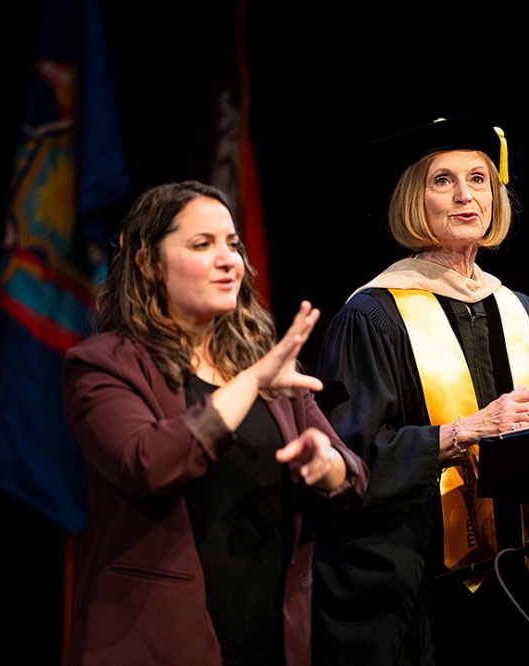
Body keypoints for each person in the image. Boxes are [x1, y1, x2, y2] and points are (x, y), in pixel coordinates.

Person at [61, 180, 368, 666]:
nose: (228, 259)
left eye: (232, 244)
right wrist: (250, 381)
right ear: (147, 262)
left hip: (272, 641)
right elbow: (147, 464)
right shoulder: (104, 364)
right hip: (154, 642)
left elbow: (351, 478)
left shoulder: (263, 364)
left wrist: (327, 466)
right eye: (202, 245)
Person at [311, 116, 529, 665]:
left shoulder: (525, 315)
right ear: (415, 198)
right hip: (411, 591)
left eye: (479, 179)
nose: (465, 195)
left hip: (518, 583)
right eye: (442, 180)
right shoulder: (373, 316)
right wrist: (462, 433)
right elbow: (344, 462)